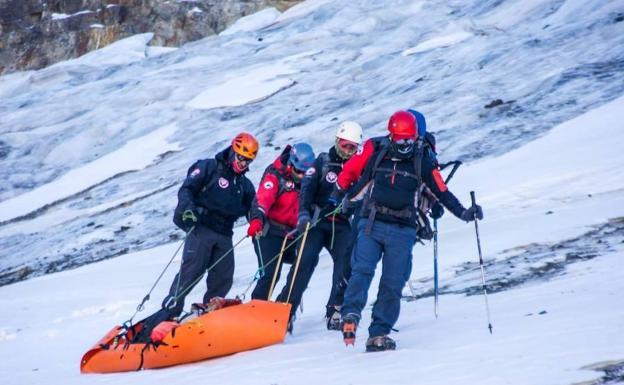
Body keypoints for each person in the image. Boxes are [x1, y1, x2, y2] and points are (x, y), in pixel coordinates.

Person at [332, 111, 483, 352]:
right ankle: (350, 314)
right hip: (371, 223)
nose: (405, 146)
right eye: (400, 141)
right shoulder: (378, 152)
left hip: (402, 230)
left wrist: (465, 213)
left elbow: (441, 191)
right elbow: (361, 181)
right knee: (362, 270)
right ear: (391, 136)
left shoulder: (422, 160)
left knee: (392, 283)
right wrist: (343, 198)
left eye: (409, 141)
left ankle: (378, 334)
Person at [135, 133, 258, 341]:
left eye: (248, 160)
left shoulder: (245, 186)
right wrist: (188, 209)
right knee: (190, 275)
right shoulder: (209, 167)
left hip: (225, 235)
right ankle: (163, 321)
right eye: (240, 158)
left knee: (223, 278)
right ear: (232, 152)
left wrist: (256, 221)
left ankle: (210, 317)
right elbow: (186, 189)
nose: (242, 163)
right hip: (201, 229)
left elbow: (253, 208)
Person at [287, 121, 363, 331]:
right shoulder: (322, 161)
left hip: (341, 225)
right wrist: (303, 214)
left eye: (352, 148)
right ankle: (286, 310)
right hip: (317, 222)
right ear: (337, 141)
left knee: (346, 264)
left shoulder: (358, 167)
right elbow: (307, 190)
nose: (348, 151)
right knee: (304, 263)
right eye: (345, 145)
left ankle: (335, 310)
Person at [247, 143, 315, 331]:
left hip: (293, 234)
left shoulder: (309, 181)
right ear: (291, 164)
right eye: (300, 171)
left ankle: (284, 309)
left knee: (304, 265)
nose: (302, 176)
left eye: (306, 172)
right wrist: (257, 220)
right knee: (271, 273)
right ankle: (255, 315)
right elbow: (263, 199)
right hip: (270, 232)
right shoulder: (275, 175)